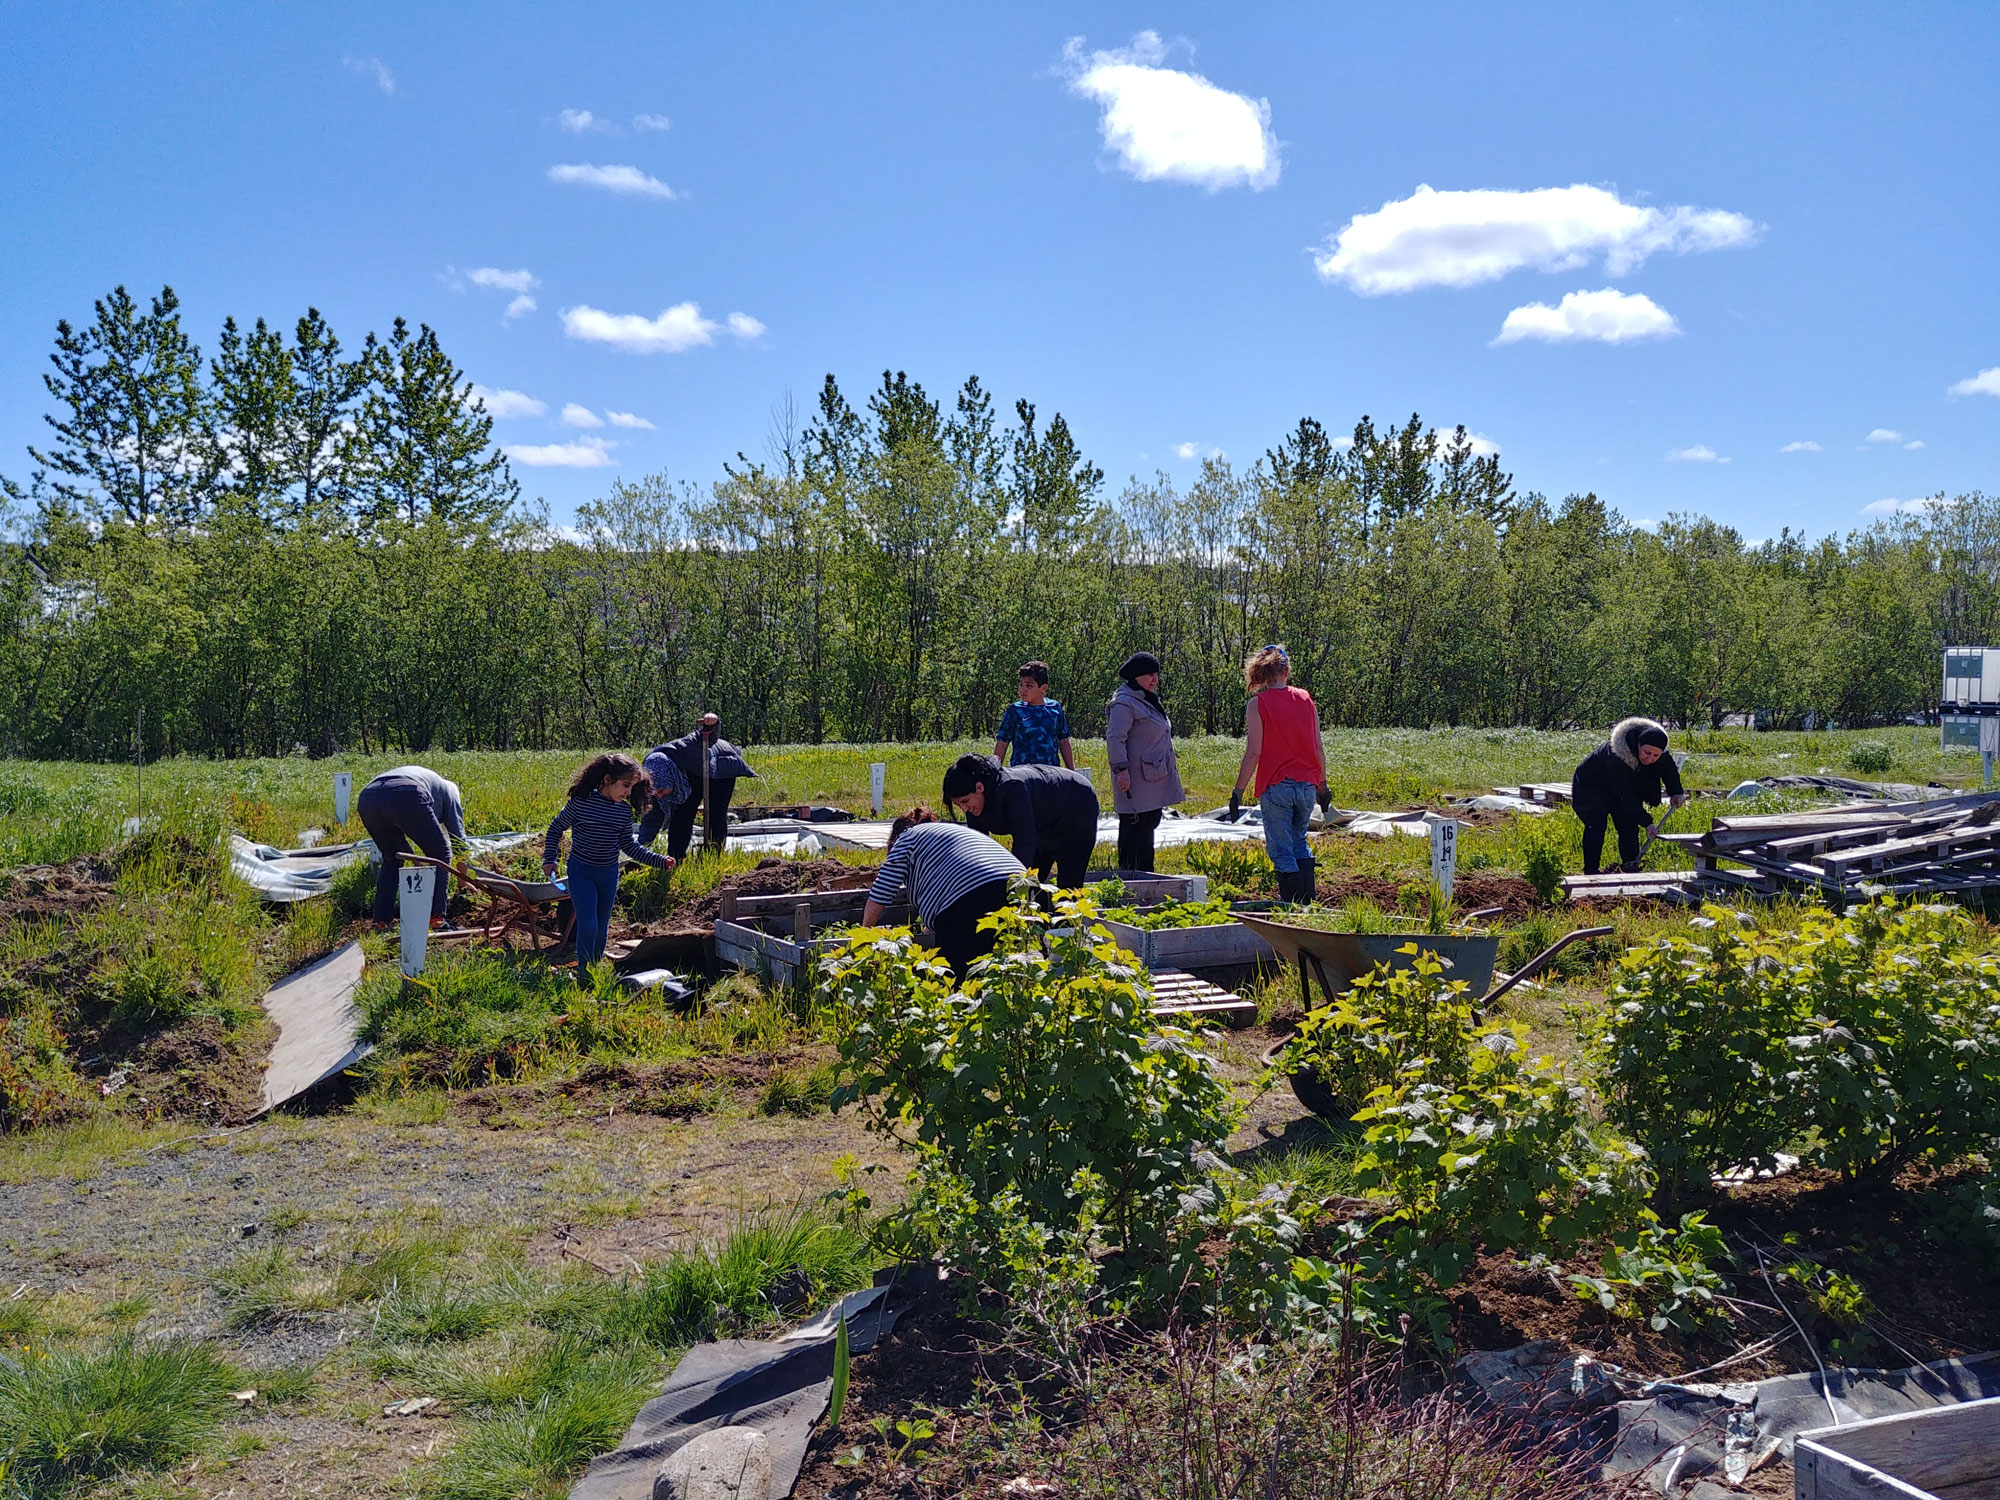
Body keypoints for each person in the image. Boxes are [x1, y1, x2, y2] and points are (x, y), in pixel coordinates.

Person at [542, 752, 675, 968]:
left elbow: (629, 845)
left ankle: (594, 969)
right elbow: (556, 827)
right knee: (589, 925)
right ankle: (585, 975)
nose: (628, 792)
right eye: (625, 785)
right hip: (581, 872)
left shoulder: (622, 811)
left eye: (632, 787)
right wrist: (550, 858)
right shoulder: (581, 802)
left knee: (602, 926)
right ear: (607, 780)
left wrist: (659, 860)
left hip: (608, 874)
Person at [862, 807, 1025, 981]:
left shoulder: (907, 838)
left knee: (955, 981)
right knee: (1011, 971)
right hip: (1022, 886)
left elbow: (881, 892)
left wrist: (863, 934)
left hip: (972, 896)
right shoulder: (954, 834)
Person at [1227, 645, 1331, 904]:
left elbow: (1254, 753)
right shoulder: (1305, 699)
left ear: (1261, 674)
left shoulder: (1258, 705)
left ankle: (1291, 907)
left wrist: (1238, 791)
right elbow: (1318, 746)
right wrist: (1322, 785)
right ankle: (1308, 905)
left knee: (1281, 849)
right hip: (1306, 786)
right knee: (1299, 841)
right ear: (1286, 671)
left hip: (1276, 787)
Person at [942, 752, 1101, 892]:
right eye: (958, 805)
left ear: (979, 787)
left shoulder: (1012, 788)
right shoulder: (973, 805)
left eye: (965, 801)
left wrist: (1011, 884)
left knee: (1068, 887)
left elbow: (1024, 841)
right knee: (1033, 885)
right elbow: (979, 850)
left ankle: (1067, 924)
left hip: (1076, 806)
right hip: (1042, 823)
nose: (964, 809)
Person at [1570, 717, 1689, 875]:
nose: (1650, 759)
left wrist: (1676, 792)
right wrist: (1647, 822)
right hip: (1591, 785)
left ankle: (1631, 867)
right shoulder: (1617, 754)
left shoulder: (1658, 748)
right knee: (1596, 825)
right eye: (1647, 753)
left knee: (1629, 826)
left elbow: (1669, 770)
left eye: (1655, 756)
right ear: (1638, 744)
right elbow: (1624, 796)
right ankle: (1591, 872)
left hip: (1621, 786)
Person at [356, 764, 467, 924]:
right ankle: (436, 919)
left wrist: (416, 861)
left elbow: (399, 838)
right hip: (407, 792)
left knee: (392, 858)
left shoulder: (432, 785)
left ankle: (381, 921)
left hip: (369, 796)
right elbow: (459, 841)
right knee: (441, 854)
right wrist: (463, 881)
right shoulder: (450, 794)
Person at [637, 713, 757, 860]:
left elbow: (710, 737)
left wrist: (714, 723)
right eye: (657, 793)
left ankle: (712, 856)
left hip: (721, 764)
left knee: (716, 814)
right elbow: (653, 817)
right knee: (681, 816)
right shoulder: (653, 771)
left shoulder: (686, 748)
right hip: (691, 772)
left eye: (661, 791)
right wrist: (640, 849)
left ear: (671, 781)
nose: (660, 795)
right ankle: (676, 859)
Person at [1105, 650, 1183, 873]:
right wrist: (1121, 769)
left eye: (1156, 674)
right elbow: (1115, 737)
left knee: (1148, 826)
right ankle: (1129, 879)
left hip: (1152, 778)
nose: (1155, 679)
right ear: (1136, 676)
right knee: (1133, 829)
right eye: (1150, 674)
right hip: (1133, 781)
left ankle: (1147, 877)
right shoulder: (1124, 703)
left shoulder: (1145, 698)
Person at [993, 661, 1076, 769]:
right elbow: (1002, 743)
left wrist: (1071, 772)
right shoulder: (1015, 711)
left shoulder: (1055, 708)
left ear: (1043, 688)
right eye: (1021, 684)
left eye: (1029, 686)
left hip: (1051, 773)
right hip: (1022, 774)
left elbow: (1064, 741)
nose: (1023, 690)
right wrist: (994, 772)